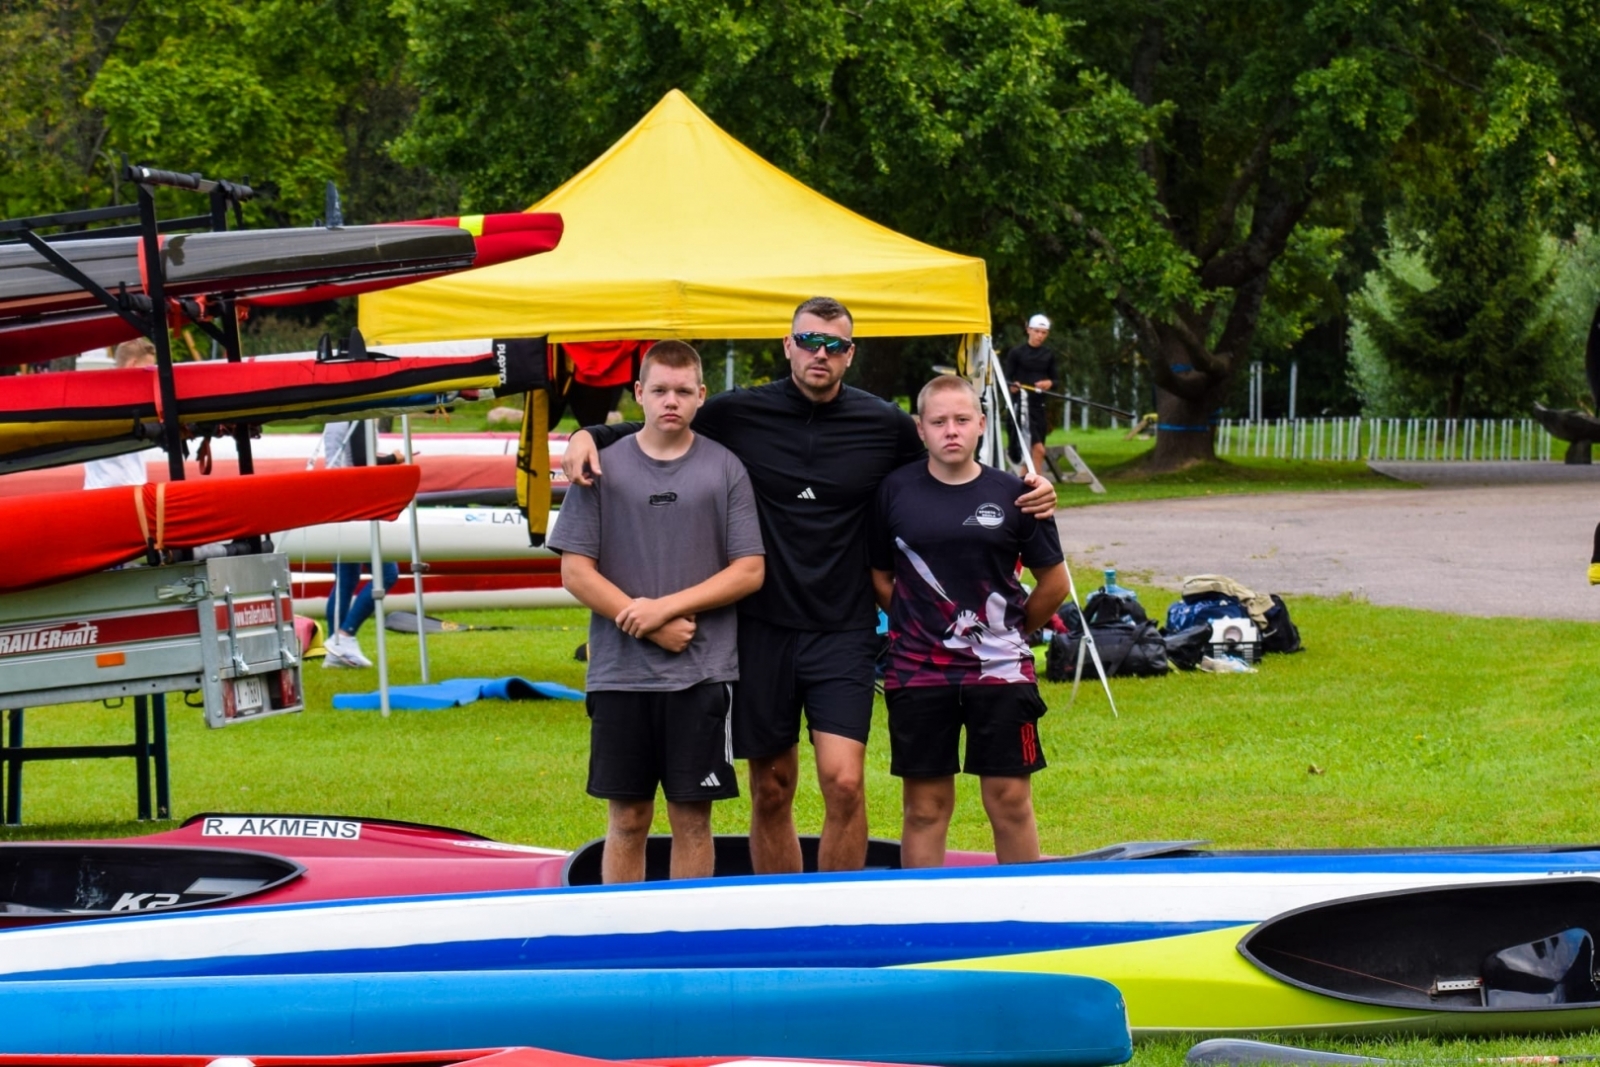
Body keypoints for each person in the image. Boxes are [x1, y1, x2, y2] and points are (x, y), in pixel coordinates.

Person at [561, 297, 1058, 874]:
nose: (820, 353)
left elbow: (953, 461)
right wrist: (587, 433)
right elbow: (663, 416)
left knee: (844, 782)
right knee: (772, 788)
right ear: (788, 345)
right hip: (762, 627)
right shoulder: (740, 413)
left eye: (834, 345)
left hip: (843, 627)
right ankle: (781, 917)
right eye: (809, 341)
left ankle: (838, 915)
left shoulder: (884, 424)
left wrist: (1027, 485)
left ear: (850, 354)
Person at [549, 341, 765, 883]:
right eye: (661, 390)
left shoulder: (726, 468)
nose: (672, 400)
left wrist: (664, 611)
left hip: (702, 673)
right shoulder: (601, 468)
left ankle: (689, 941)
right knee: (627, 818)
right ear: (639, 393)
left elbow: (749, 570)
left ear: (701, 397)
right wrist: (638, 620)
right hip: (620, 675)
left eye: (684, 391)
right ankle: (621, 941)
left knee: (693, 818)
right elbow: (575, 571)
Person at [870, 374, 1068, 867]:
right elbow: (878, 573)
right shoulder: (893, 492)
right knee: (924, 808)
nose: (951, 431)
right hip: (918, 673)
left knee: (1009, 802)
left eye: (962, 420)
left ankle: (1020, 921)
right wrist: (917, 623)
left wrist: (1014, 632)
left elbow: (1055, 582)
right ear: (920, 429)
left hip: (1000, 672)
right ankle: (925, 925)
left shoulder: (1016, 493)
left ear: (981, 424)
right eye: (938, 422)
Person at [322, 419, 402, 669]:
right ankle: (345, 635)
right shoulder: (362, 415)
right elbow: (361, 462)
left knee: (346, 578)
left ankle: (336, 650)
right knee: (387, 572)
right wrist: (393, 460)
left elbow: (349, 456)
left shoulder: (338, 415)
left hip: (335, 499)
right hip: (355, 503)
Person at [83, 339, 158, 490]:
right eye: (147, 368)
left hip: (97, 487)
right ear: (132, 364)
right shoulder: (131, 400)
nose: (150, 375)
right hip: (126, 487)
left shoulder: (94, 395)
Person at [1003, 314, 1059, 476]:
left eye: (1044, 333)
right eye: (1036, 331)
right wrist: (1013, 386)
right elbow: (1006, 379)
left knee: (1033, 453)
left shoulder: (1048, 354)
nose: (1040, 336)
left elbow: (1055, 381)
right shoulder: (1016, 353)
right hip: (1021, 407)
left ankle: (1024, 486)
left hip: (1039, 408)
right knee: (1038, 450)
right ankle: (1037, 488)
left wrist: (1048, 384)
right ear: (1028, 330)